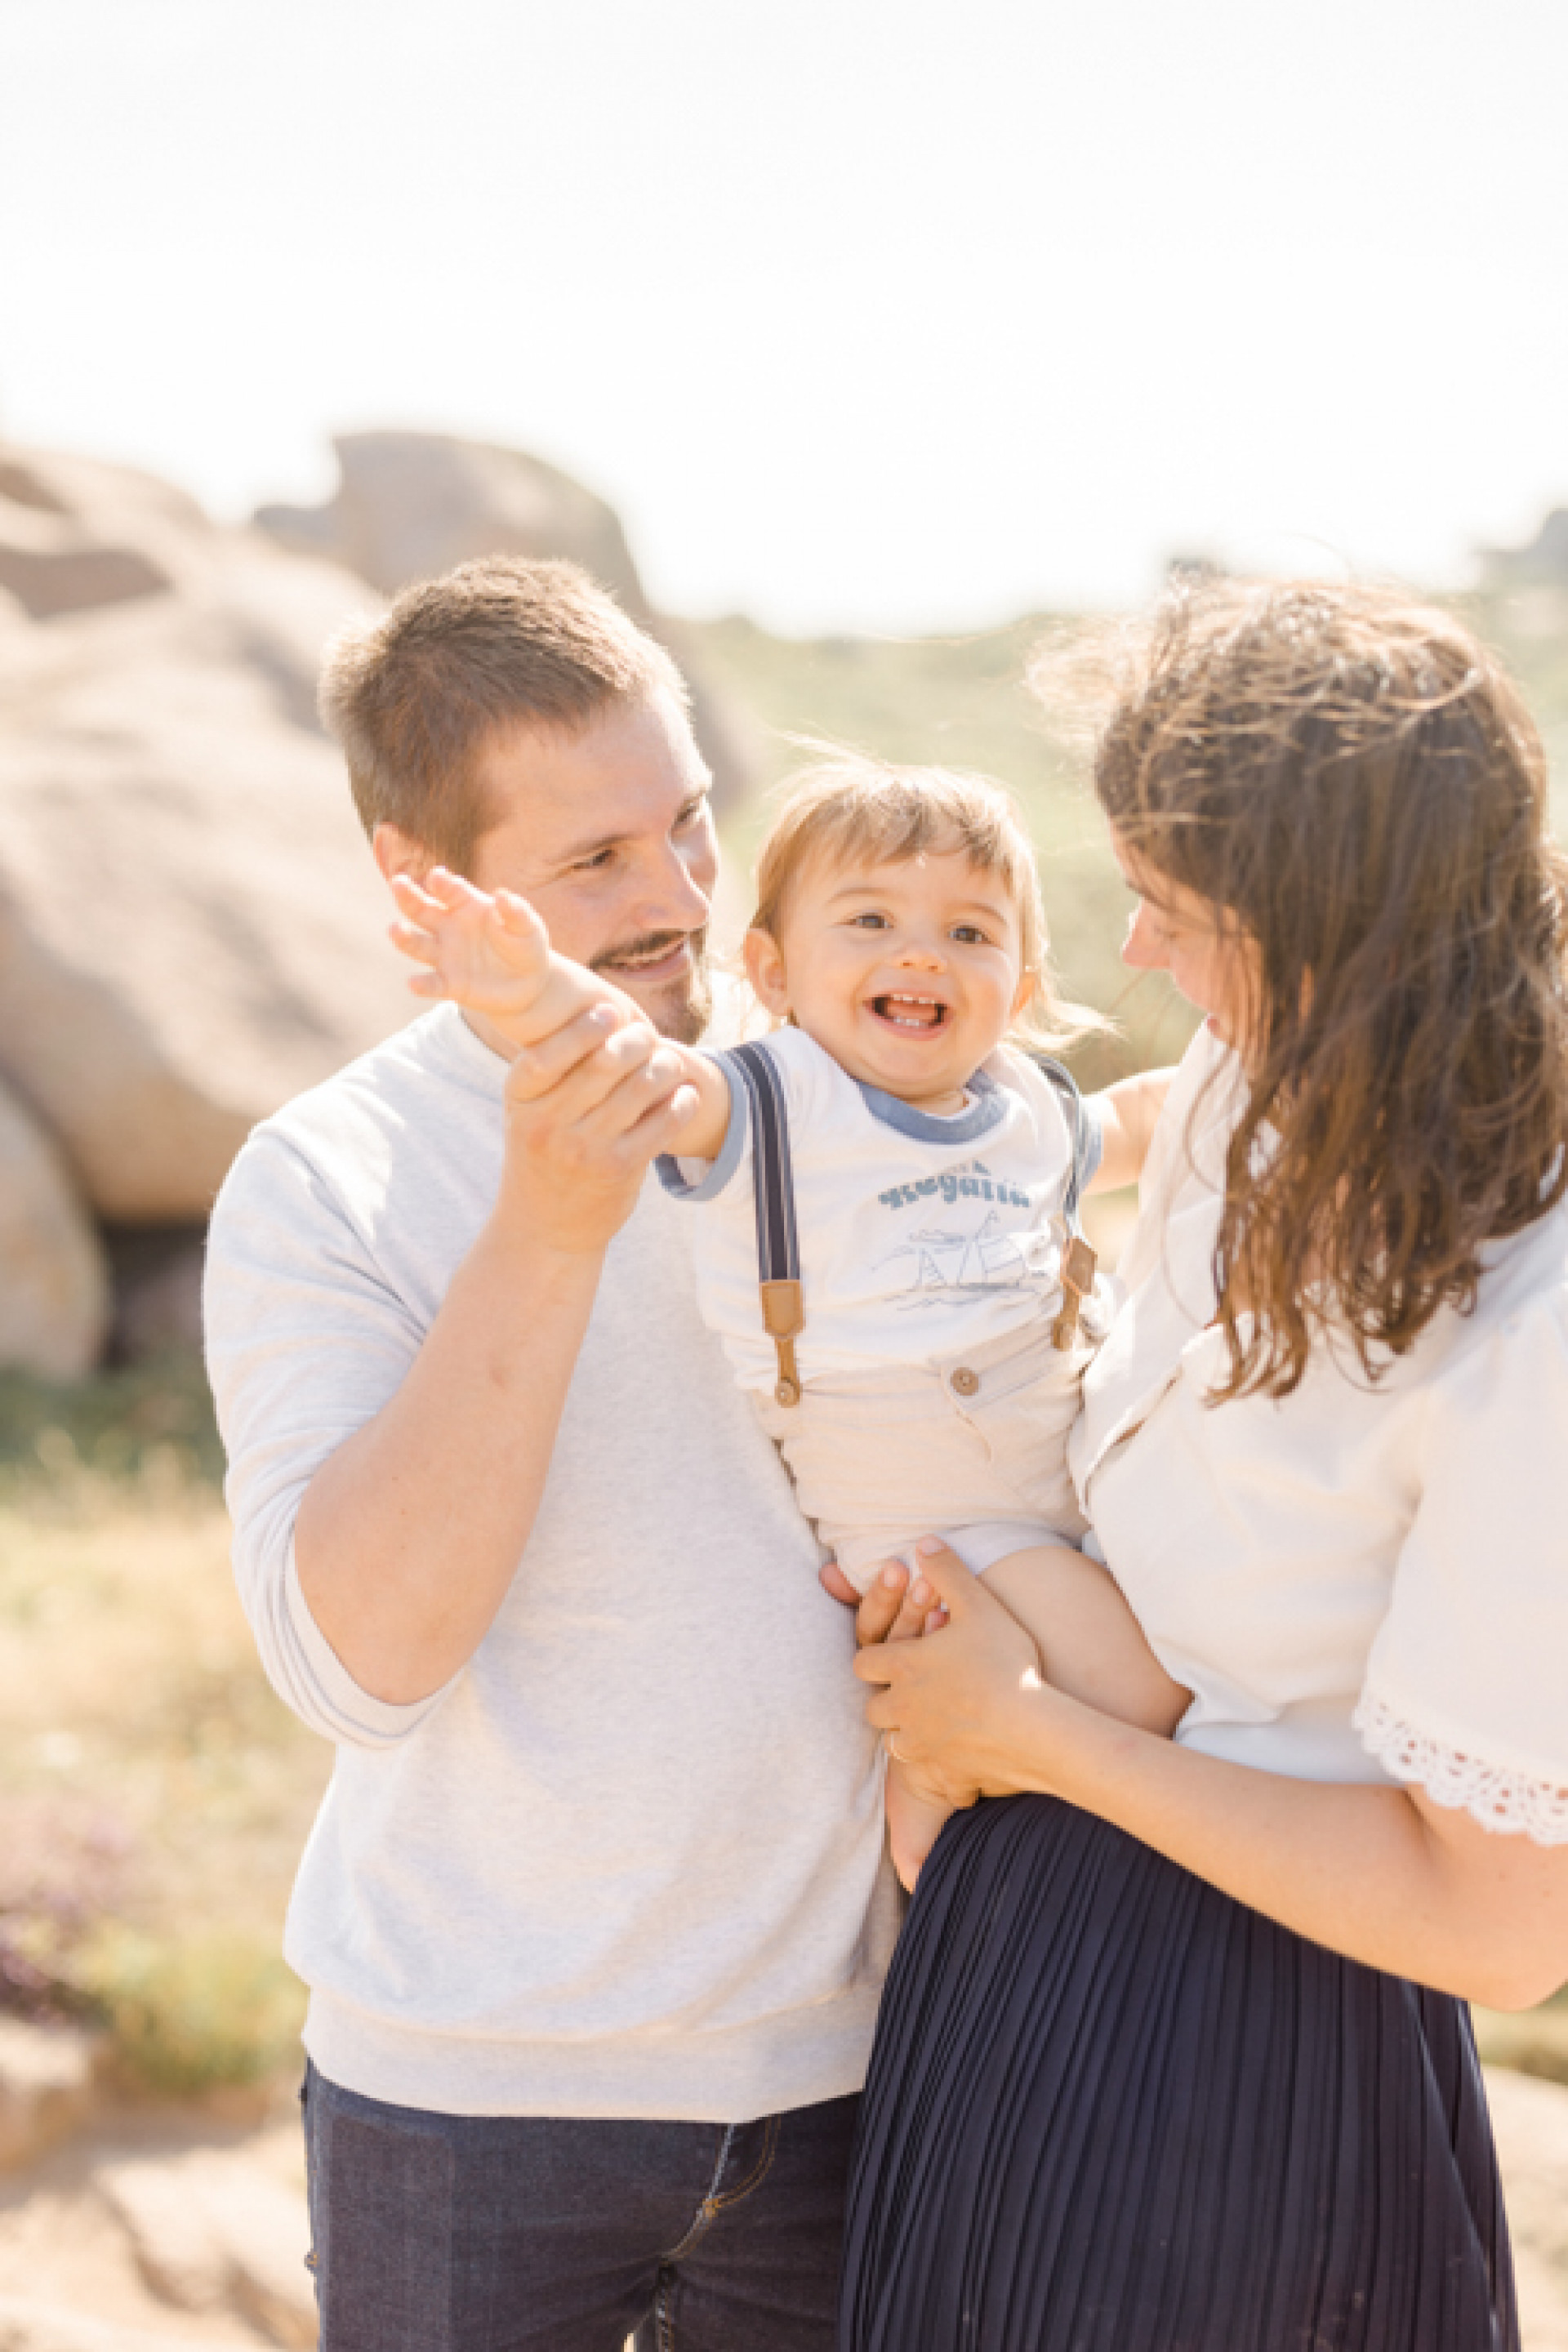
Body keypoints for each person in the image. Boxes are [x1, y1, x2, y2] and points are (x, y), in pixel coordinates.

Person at [839, 581, 1568, 2352]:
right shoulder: (1261, 1074)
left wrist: (1035, 1743)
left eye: (1175, 910)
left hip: (1261, 2063)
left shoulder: (1538, 1308)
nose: (1140, 959)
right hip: (1014, 1963)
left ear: (1345, 924)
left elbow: (1498, 1929)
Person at [203, 556, 906, 2352]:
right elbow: (362, 1665)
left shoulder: (840, 1096)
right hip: (470, 2106)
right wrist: (550, 1217)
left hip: (856, 2083)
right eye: (595, 862)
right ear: (422, 887)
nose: (678, 902)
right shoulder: (324, 1179)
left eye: (687, 825)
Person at [390, 751, 1185, 1885]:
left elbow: (1147, 1119)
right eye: (868, 920)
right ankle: (932, 1780)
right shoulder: (774, 1099)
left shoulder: (1022, 1105)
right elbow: (638, 1072)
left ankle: (980, 1779)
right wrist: (528, 991)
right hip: (938, 1520)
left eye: (969, 934)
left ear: (1015, 988)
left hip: (1064, 1479)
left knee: (1201, 1622)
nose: (919, 953)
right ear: (771, 969)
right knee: (1147, 1691)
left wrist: (1286, 1055)